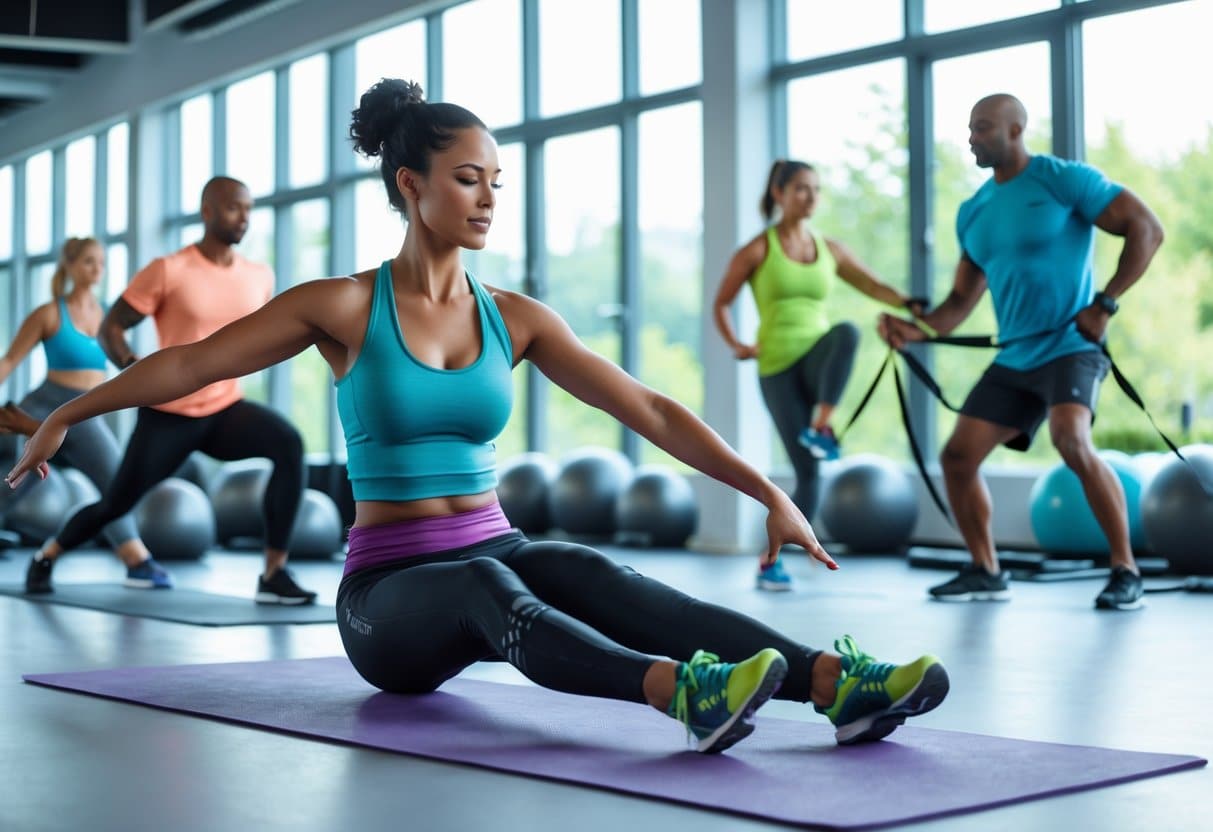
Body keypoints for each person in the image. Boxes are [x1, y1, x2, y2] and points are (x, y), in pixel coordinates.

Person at [7, 79, 949, 753]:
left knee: (582, 567)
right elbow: (188, 361)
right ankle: (682, 696)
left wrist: (765, 492)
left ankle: (832, 685)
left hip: (494, 545)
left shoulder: (516, 318)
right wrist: (65, 414)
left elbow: (651, 408)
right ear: (410, 185)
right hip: (387, 602)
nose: (489, 196)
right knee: (483, 585)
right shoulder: (343, 306)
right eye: (467, 178)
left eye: (496, 178)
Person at [878, 93, 1164, 611]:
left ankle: (1126, 570)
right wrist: (913, 330)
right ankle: (986, 570)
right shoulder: (973, 212)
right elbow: (959, 303)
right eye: (970, 128)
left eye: (983, 127)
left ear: (1016, 130)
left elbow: (1147, 228)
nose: (972, 137)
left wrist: (1104, 304)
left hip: (1071, 346)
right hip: (1015, 358)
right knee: (957, 457)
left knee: (1070, 439)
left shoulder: (1063, 180)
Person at [20, 178, 317, 605]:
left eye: (249, 209)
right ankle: (47, 555)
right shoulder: (169, 270)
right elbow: (111, 328)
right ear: (207, 211)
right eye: (234, 208)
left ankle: (274, 573)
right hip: (169, 413)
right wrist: (133, 368)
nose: (244, 218)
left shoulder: (259, 276)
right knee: (116, 503)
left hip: (224, 407)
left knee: (288, 443)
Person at [713, 159, 922, 591]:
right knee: (808, 472)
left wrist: (909, 304)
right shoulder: (759, 249)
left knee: (846, 332)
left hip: (816, 357)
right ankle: (771, 562)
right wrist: (738, 344)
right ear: (779, 193)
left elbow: (872, 285)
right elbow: (721, 303)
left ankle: (821, 425)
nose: (811, 197)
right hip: (776, 367)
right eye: (802, 188)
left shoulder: (830, 249)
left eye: (816, 189)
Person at [0, 238, 172, 589]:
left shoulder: (109, 317)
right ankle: (136, 558)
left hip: (88, 409)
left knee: (115, 481)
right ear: (70, 265)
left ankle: (135, 559)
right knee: (15, 485)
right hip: (46, 405)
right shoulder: (49, 314)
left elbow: (126, 363)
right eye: (89, 261)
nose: (97, 269)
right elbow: (10, 360)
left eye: (102, 263)